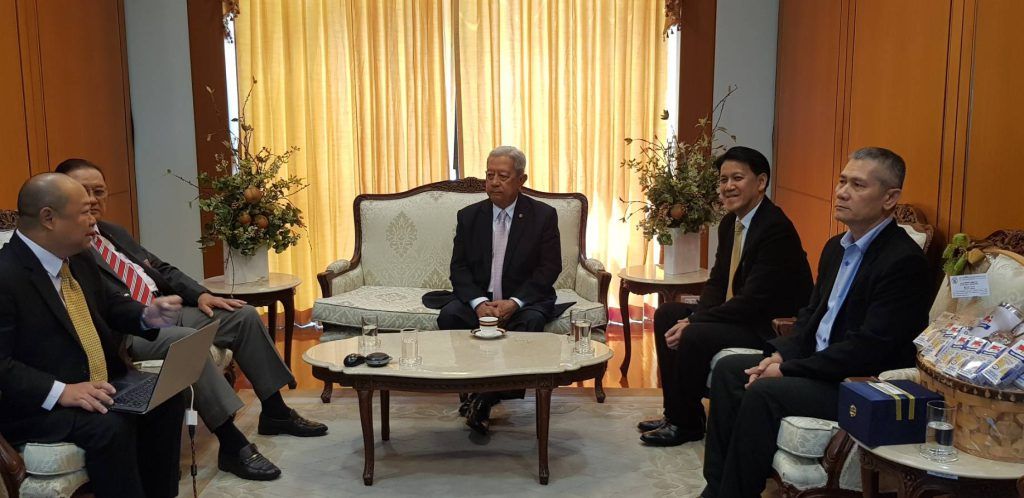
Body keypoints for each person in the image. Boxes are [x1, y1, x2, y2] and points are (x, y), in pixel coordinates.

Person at [55, 159, 327, 481]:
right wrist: (145, 315)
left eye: (98, 192)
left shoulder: (113, 232)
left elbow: (160, 268)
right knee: (187, 343)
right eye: (83, 192)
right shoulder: (68, 245)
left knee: (242, 315)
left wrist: (200, 295)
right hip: (129, 329)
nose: (92, 200)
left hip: (167, 308)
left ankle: (275, 411)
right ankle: (232, 443)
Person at [701, 147, 934, 498]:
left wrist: (789, 369)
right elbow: (810, 316)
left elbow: (868, 348)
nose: (842, 192)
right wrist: (780, 355)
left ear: (889, 198)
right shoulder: (836, 247)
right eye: (842, 181)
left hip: (855, 382)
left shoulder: (903, 262)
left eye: (857, 185)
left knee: (764, 392)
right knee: (729, 371)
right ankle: (717, 488)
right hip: (816, 364)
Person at [0, 174, 186, 497]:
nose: (93, 220)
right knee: (111, 426)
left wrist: (146, 315)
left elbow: (111, 305)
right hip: (36, 405)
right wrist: (62, 391)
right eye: (84, 212)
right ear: (48, 218)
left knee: (166, 398)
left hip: (100, 384)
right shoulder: (6, 275)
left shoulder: (79, 257)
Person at [639, 146, 813, 446]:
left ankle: (686, 425)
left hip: (767, 325)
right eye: (723, 180)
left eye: (737, 178)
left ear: (761, 182)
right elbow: (718, 282)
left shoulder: (775, 228)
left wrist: (695, 323)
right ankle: (677, 413)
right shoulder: (731, 222)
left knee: (694, 335)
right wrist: (694, 315)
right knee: (667, 314)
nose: (728, 186)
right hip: (740, 315)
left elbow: (753, 301)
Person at [440, 145, 562, 434]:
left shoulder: (543, 216)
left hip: (522, 303)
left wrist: (515, 302)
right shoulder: (469, 216)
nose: (494, 182)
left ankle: (485, 396)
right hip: (480, 302)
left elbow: (549, 268)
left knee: (531, 321)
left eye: (503, 176)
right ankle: (471, 387)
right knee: (450, 315)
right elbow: (459, 268)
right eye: (489, 175)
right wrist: (478, 303)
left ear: (521, 180)